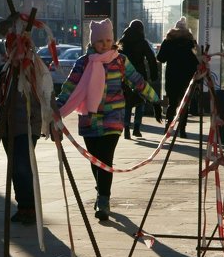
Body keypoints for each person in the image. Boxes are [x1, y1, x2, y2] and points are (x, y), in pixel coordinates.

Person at [53, 18, 156, 221]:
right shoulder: (83, 62)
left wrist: (155, 98)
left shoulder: (120, 60)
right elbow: (70, 86)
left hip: (113, 117)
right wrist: (58, 105)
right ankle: (101, 188)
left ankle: (103, 199)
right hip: (89, 118)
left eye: (108, 40)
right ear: (93, 42)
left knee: (105, 158)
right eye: (100, 41)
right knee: (95, 158)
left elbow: (137, 80)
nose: (105, 44)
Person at [0, 50, 50, 225]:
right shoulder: (5, 71)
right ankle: (23, 207)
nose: (18, 54)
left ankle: (30, 207)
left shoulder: (35, 72)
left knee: (22, 167)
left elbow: (46, 96)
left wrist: (46, 122)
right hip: (7, 127)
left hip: (27, 127)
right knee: (15, 168)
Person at [156, 16, 199, 138]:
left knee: (172, 103)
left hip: (172, 75)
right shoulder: (191, 42)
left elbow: (160, 58)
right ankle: (182, 130)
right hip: (187, 77)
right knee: (184, 103)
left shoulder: (168, 41)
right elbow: (197, 60)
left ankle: (168, 127)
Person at [117, 19, 158, 140]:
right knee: (140, 101)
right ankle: (136, 128)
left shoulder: (123, 41)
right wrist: (154, 75)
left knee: (127, 102)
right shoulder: (142, 42)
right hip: (140, 75)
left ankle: (126, 129)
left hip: (125, 76)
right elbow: (151, 58)